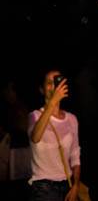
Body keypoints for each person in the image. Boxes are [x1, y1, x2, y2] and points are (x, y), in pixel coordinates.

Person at [28, 71, 81, 201]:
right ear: (42, 89)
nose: (54, 86)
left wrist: (76, 185)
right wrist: (52, 103)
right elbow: (35, 138)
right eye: (49, 83)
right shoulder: (34, 116)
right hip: (43, 187)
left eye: (56, 82)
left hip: (67, 184)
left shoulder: (71, 119)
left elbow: (75, 156)